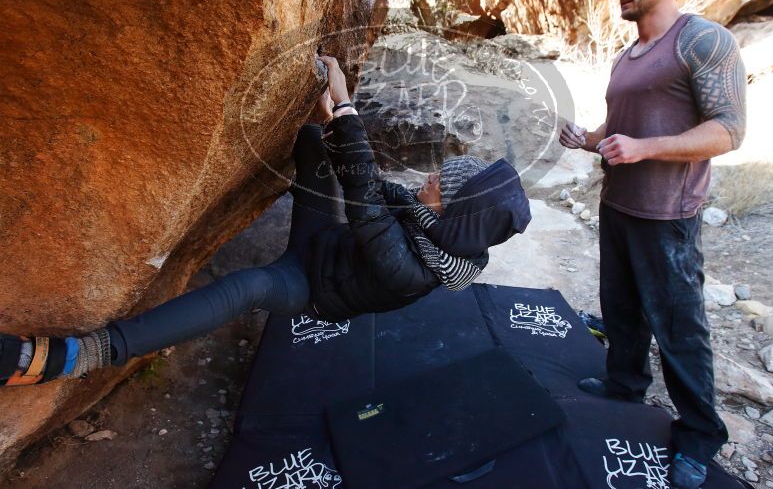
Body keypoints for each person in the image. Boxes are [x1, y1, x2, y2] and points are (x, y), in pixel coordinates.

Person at [0, 56, 531, 386]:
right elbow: (369, 187)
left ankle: (83, 354)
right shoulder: (426, 217)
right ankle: (315, 130)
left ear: (453, 214)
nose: (429, 180)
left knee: (248, 286)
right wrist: (330, 125)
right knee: (309, 142)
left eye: (441, 184)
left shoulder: (420, 270)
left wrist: (346, 110)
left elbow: (368, 199)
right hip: (322, 240)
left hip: (309, 287)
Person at [560, 0, 746, 487]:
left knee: (679, 329)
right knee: (620, 309)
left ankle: (700, 435)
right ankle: (624, 384)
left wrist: (646, 148)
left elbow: (729, 131)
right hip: (618, 204)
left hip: (668, 215)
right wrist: (588, 139)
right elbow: (620, 128)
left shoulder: (703, 41)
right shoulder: (627, 57)